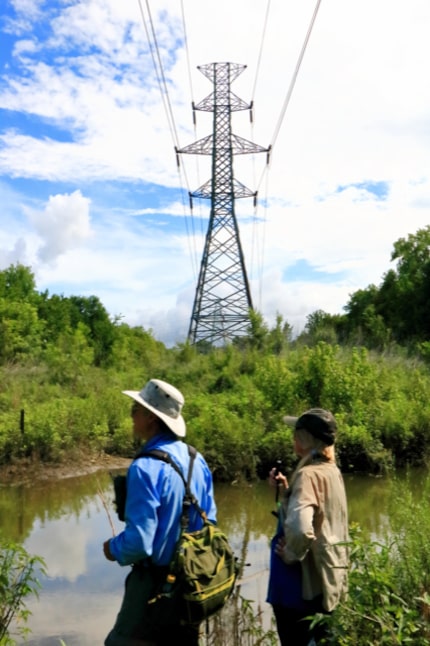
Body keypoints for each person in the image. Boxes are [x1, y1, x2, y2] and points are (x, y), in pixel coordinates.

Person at [103, 378, 217, 646]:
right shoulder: (195, 460)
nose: (132, 414)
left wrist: (112, 548)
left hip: (154, 587)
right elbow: (210, 522)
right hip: (192, 586)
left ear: (152, 419)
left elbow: (139, 543)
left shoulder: (144, 468)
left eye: (136, 409)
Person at [267, 408, 349, 646]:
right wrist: (286, 492)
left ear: (305, 439)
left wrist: (291, 554)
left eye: (297, 433)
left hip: (299, 589)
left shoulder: (308, 476)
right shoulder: (332, 472)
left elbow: (302, 529)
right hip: (325, 583)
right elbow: (322, 518)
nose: (293, 437)